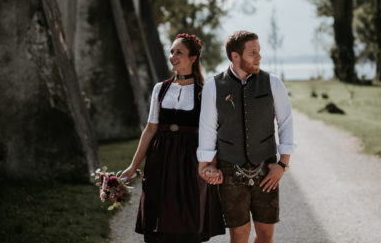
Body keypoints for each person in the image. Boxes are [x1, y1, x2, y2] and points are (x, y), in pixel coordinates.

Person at [120, 33, 225, 243]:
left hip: (190, 162)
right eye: (171, 52)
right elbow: (150, 129)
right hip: (160, 159)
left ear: (193, 58)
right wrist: (133, 166)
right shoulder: (160, 88)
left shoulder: (203, 92)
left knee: (188, 217)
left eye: (179, 52)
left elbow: (213, 133)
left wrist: (212, 165)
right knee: (157, 214)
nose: (173, 56)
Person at [197, 30, 296, 243]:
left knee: (266, 235)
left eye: (259, 51)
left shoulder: (273, 83)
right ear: (235, 56)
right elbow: (207, 128)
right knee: (239, 235)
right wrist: (206, 164)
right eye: (253, 52)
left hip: (266, 169)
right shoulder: (214, 86)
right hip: (229, 169)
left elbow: (286, 123)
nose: (259, 57)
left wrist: (283, 164)